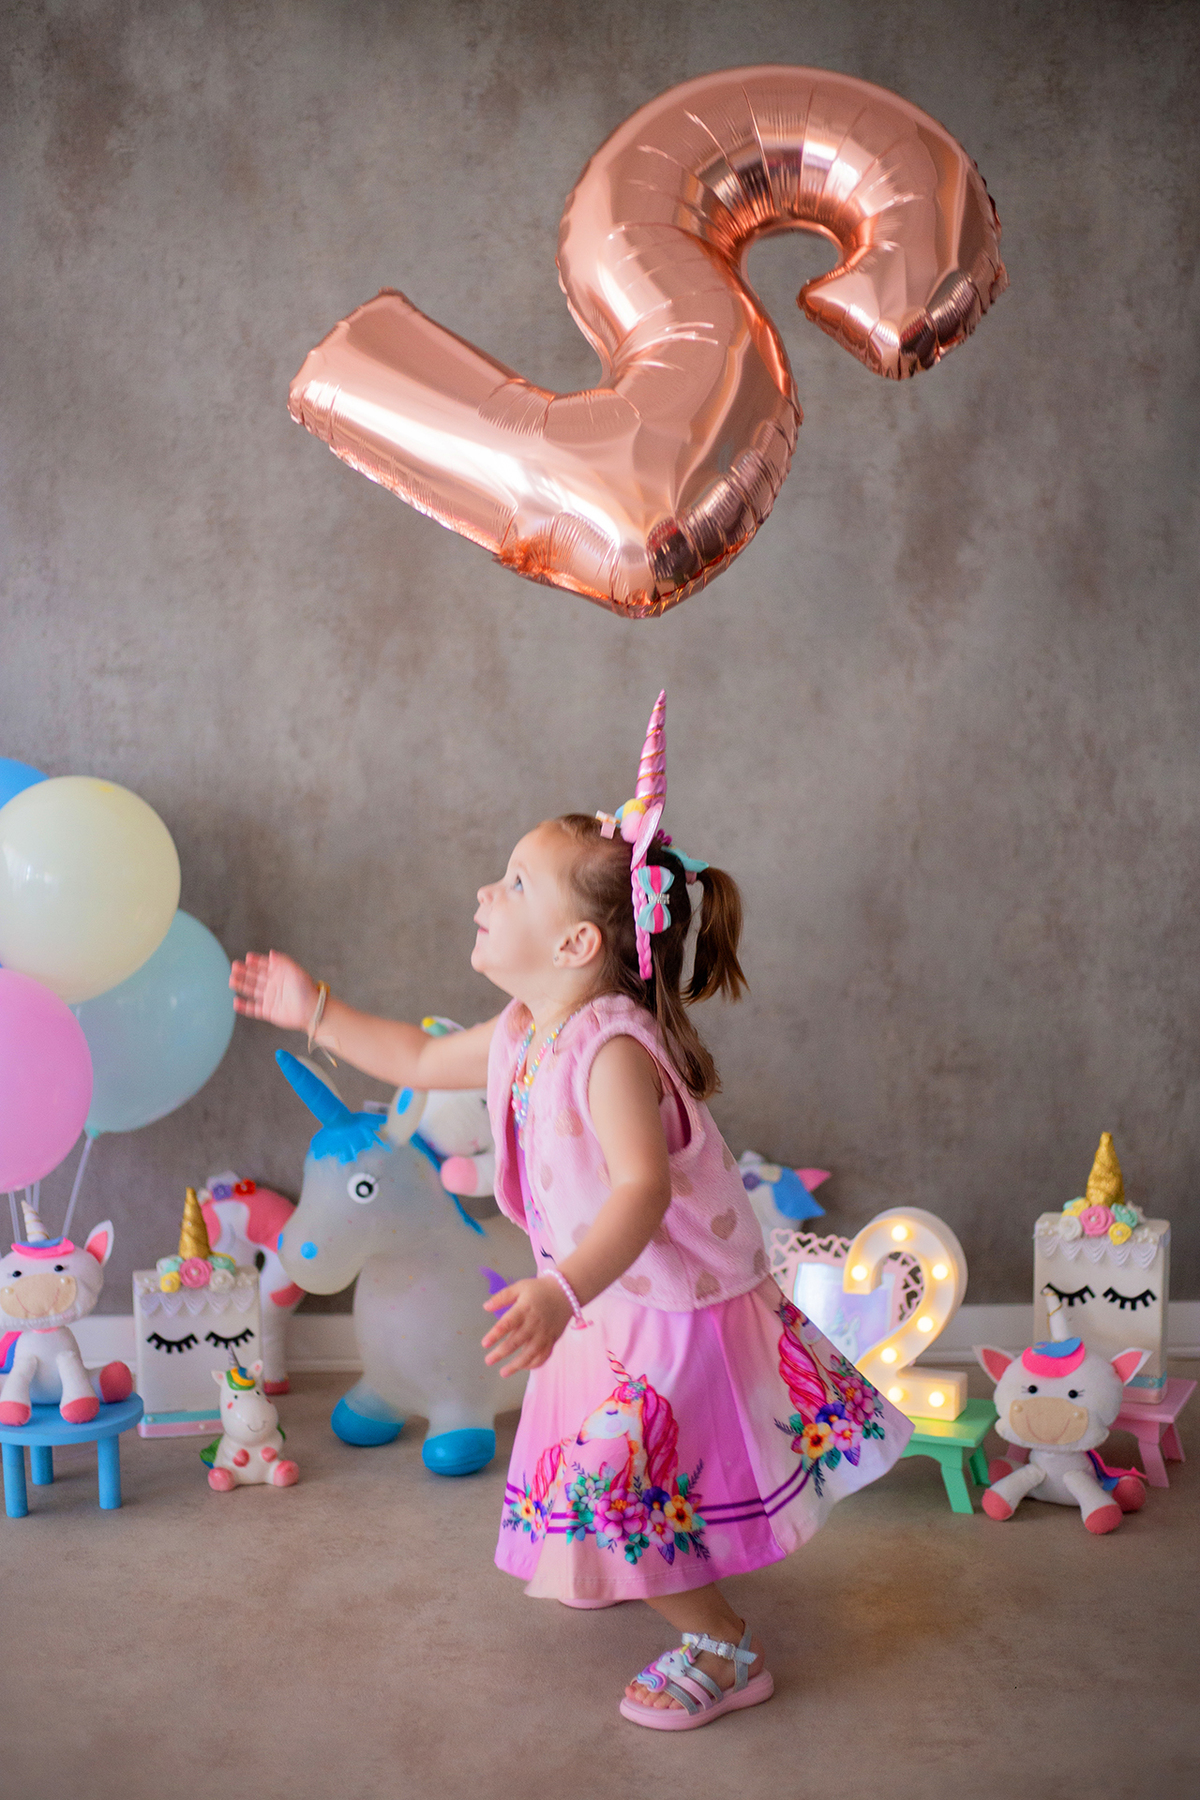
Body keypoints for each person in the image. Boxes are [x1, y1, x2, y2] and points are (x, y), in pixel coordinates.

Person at [230, 692, 911, 1731]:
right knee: (619, 1493)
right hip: (606, 1308)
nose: (484, 891)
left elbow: (639, 1191)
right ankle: (671, 1588)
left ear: (577, 947)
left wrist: (556, 1290)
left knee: (615, 1496)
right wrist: (312, 1009)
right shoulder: (524, 1030)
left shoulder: (609, 1051)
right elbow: (414, 1058)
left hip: (665, 1310)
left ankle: (725, 1648)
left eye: (511, 883)